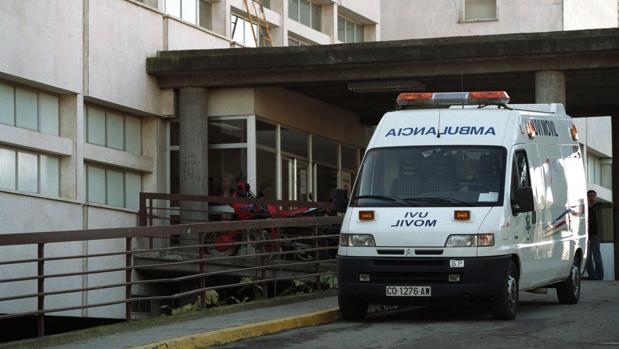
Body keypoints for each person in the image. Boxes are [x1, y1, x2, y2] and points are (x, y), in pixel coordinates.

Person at [585, 189, 604, 280]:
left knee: (597, 257)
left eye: (593, 195)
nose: (591, 197)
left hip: (595, 235)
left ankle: (599, 277)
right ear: (587, 197)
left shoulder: (598, 207)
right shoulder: (585, 208)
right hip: (587, 235)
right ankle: (592, 276)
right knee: (587, 257)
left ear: (595, 197)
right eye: (589, 196)